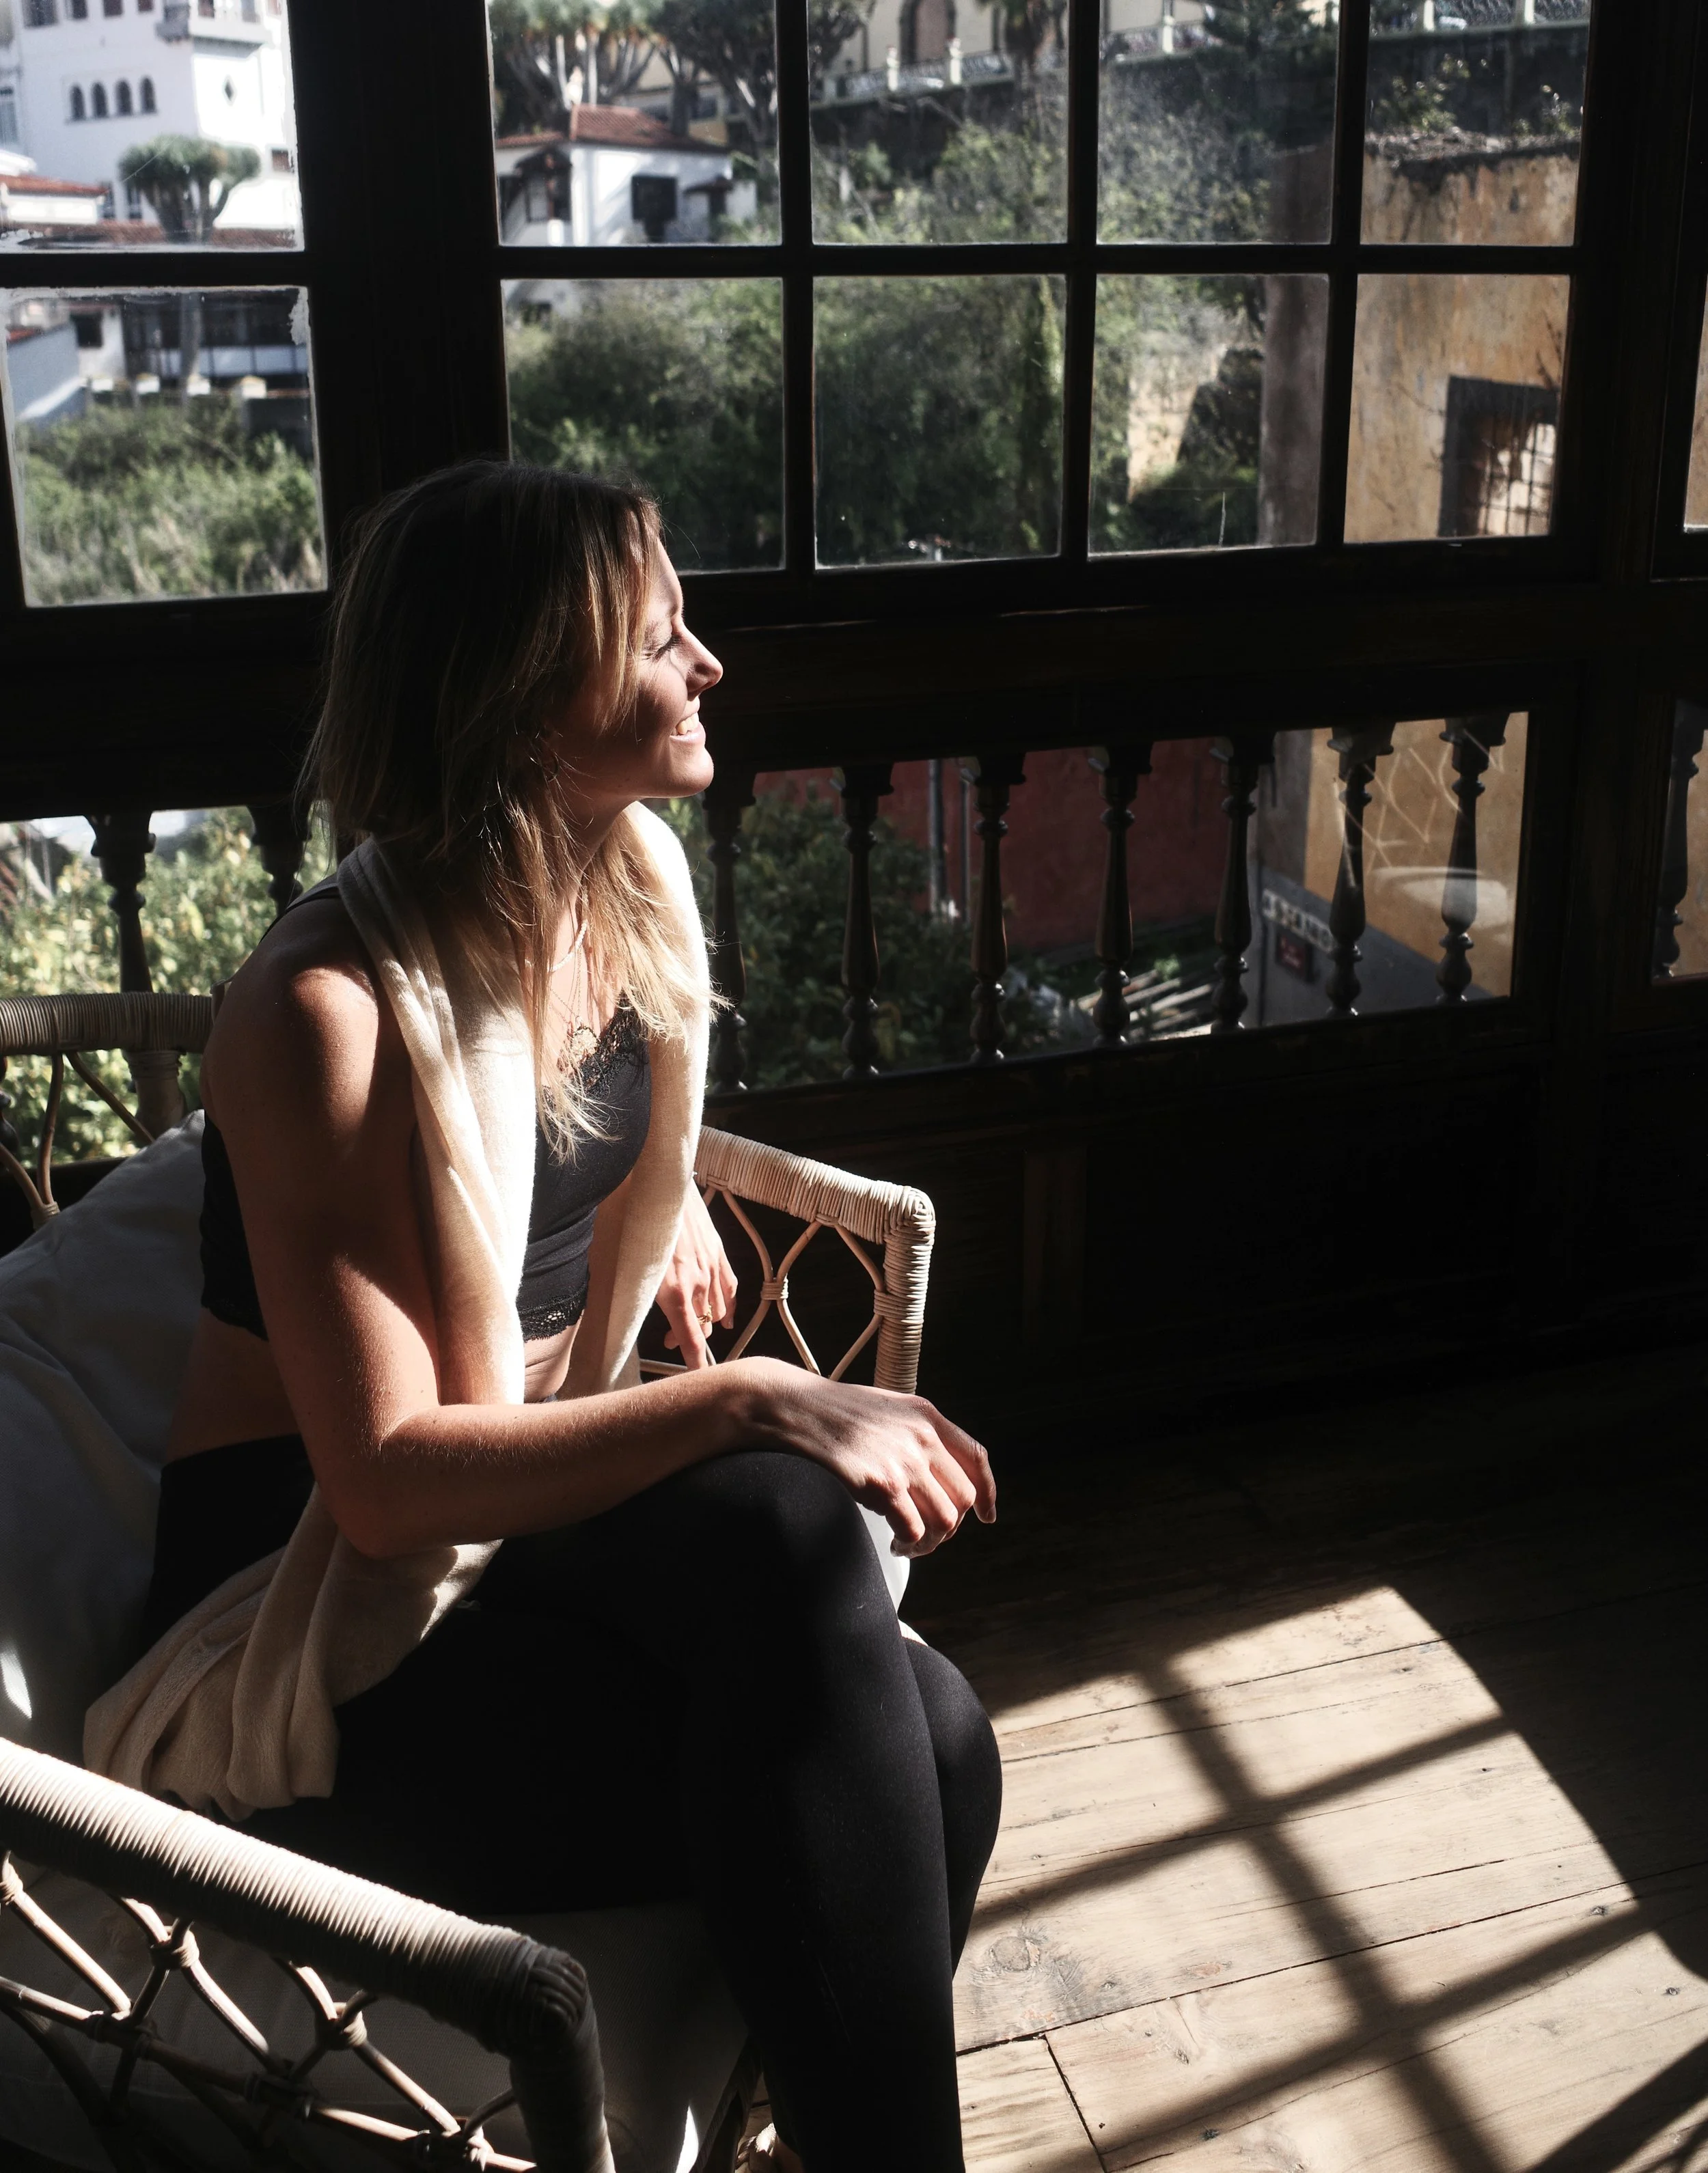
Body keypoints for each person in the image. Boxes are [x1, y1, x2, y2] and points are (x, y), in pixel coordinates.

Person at [141, 462, 1002, 2173]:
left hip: (522, 1498)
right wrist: (754, 1393)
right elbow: (381, 1482)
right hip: (321, 1593)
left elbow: (569, 1154)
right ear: (527, 696)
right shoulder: (321, 1013)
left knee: (949, 1737)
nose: (708, 665)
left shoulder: (623, 890)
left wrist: (657, 1197)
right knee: (810, 1571)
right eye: (661, 634)